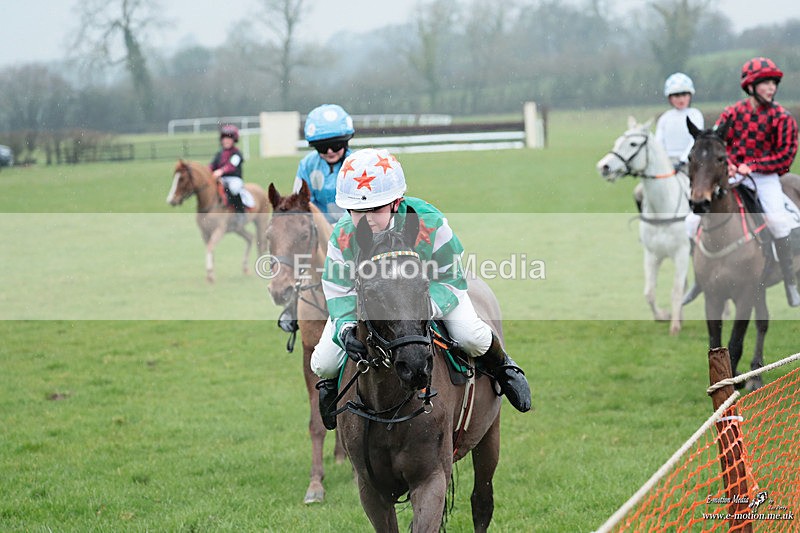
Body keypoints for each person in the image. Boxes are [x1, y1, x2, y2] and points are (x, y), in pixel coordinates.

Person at [312, 148, 532, 430]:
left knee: (471, 336)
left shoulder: (431, 221)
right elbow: (337, 288)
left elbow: (452, 277)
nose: (367, 218)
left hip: (434, 294)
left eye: (375, 209)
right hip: (368, 302)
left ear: (396, 202)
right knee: (323, 362)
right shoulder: (342, 234)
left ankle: (504, 367)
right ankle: (331, 387)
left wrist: (422, 308)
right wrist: (345, 328)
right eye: (357, 210)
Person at [717, 57, 800, 306]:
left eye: (773, 83)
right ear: (751, 87)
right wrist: (730, 163)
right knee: (692, 221)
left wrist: (753, 166)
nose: (771, 88)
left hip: (765, 179)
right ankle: (702, 279)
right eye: (765, 83)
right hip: (732, 174)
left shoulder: (783, 118)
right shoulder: (732, 113)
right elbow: (718, 142)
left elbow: (785, 158)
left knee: (779, 222)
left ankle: (790, 281)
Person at [633, 73, 703, 213]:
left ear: (690, 95)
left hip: (688, 164)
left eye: (684, 95)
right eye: (676, 96)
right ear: (670, 98)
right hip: (666, 164)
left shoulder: (695, 114)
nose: (681, 99)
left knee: (694, 193)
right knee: (639, 192)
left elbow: (694, 140)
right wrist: (662, 162)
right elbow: (659, 142)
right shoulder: (665, 118)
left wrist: (682, 161)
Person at [293, 104, 355, 225]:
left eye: (336, 146)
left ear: (345, 142)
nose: (330, 152)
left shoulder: (358, 164)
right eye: (322, 147)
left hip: (354, 228)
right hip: (319, 229)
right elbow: (300, 203)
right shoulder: (307, 165)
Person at [210, 124, 250, 225]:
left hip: (234, 179)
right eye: (224, 138)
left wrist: (221, 171)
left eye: (229, 138)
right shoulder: (219, 154)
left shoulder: (237, 153)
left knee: (233, 189)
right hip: (221, 179)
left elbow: (231, 166)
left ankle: (241, 213)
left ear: (234, 140)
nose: (226, 141)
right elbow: (212, 165)